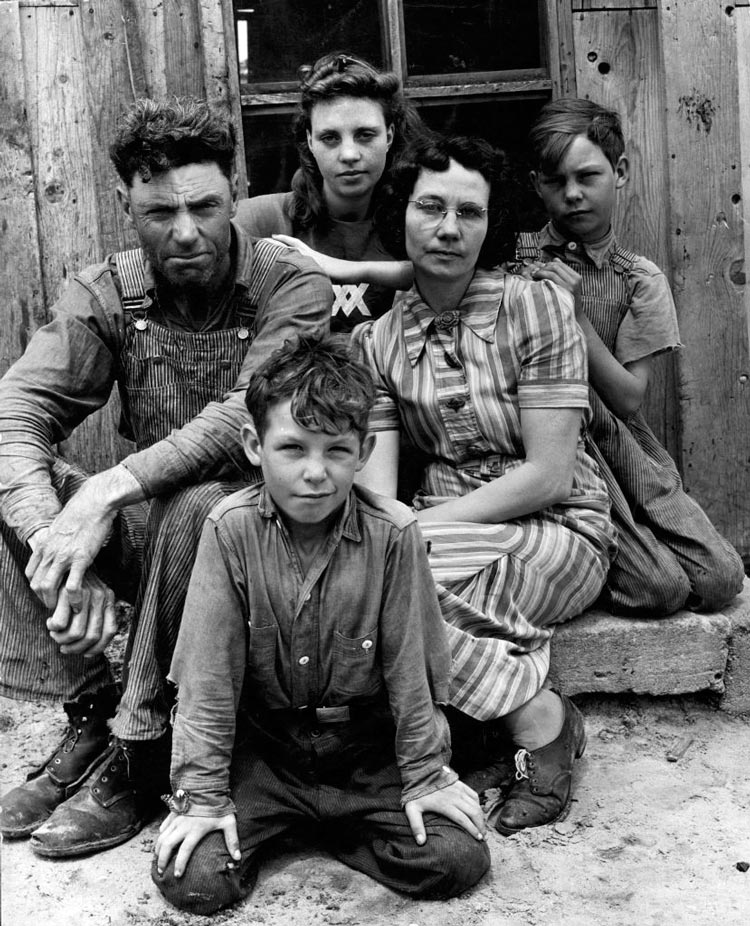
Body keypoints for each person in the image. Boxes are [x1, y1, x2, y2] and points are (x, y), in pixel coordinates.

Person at [0, 98, 332, 856]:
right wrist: (56, 542)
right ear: (126, 205)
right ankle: (96, 707)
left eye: (205, 207)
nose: (185, 232)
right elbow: (17, 410)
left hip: (266, 554)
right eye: (158, 212)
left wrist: (109, 487)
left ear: (236, 190)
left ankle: (142, 748)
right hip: (161, 546)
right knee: (24, 477)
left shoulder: (293, 286)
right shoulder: (105, 293)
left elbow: (240, 419)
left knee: (202, 500)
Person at [151, 334, 490, 914]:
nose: (315, 473)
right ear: (253, 445)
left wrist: (427, 775)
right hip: (267, 753)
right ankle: (306, 821)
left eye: (336, 450)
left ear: (365, 451)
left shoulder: (395, 532)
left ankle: (333, 822)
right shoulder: (228, 530)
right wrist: (203, 798)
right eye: (293, 449)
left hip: (363, 751)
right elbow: (208, 681)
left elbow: (413, 672)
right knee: (196, 879)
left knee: (456, 858)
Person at [350, 133, 616, 836]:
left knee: (411, 591)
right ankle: (533, 715)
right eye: (430, 207)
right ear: (400, 212)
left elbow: (548, 473)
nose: (447, 228)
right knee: (379, 578)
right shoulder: (375, 343)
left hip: (558, 525)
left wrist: (416, 532)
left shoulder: (536, 307)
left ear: (491, 222)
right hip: (435, 523)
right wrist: (398, 530)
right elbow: (377, 491)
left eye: (469, 213)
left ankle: (523, 733)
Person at [513, 98, 744, 615]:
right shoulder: (513, 260)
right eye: (555, 181)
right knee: (659, 589)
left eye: (588, 176)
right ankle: (594, 562)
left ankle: (640, 545)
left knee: (721, 578)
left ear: (618, 172)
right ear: (536, 184)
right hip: (550, 443)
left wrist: (575, 316)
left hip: (622, 443)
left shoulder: (638, 278)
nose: (572, 194)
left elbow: (629, 397)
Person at [234, 51, 420, 332]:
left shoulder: (418, 219)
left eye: (365, 135)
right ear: (310, 141)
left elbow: (466, 272)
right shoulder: (263, 219)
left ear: (389, 136)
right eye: (330, 138)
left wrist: (342, 268)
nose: (349, 154)